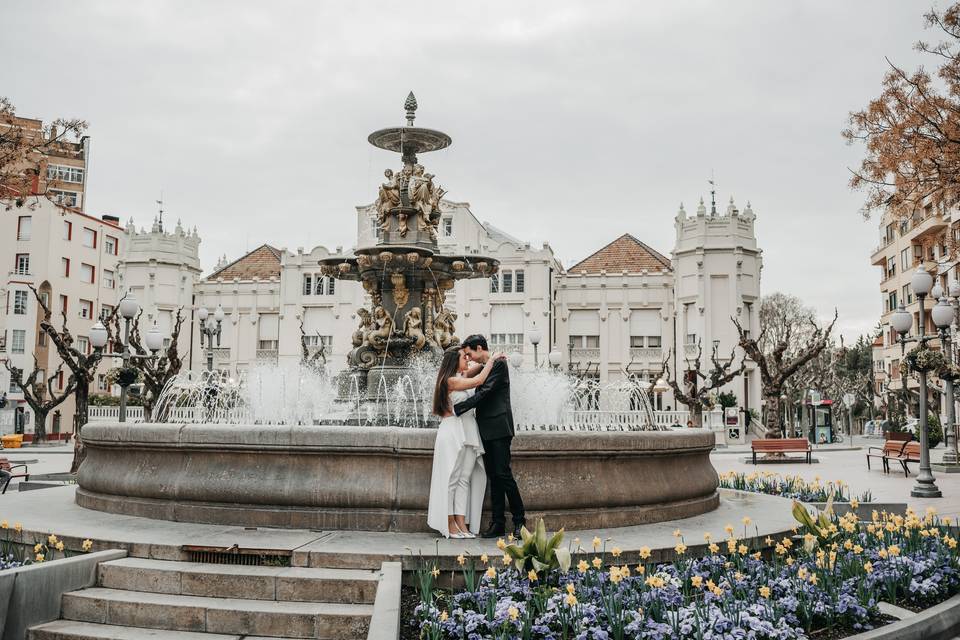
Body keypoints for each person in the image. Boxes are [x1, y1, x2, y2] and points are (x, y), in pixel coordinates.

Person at [454, 334, 526, 539]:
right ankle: (498, 523)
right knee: (493, 476)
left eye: (469, 353)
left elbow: (484, 392)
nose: (469, 358)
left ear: (479, 348)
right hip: (485, 427)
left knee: (503, 474)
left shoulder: (499, 364)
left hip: (499, 427)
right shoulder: (488, 365)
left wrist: (460, 408)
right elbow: (466, 375)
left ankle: (520, 521)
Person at [427, 346, 499, 539]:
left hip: (468, 430)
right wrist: (492, 361)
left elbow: (474, 371)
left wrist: (486, 358)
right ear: (453, 361)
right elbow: (479, 380)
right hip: (452, 431)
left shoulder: (461, 376)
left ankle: (461, 522)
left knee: (464, 479)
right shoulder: (450, 380)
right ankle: (449, 522)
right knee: (452, 479)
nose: (467, 359)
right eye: (463, 357)